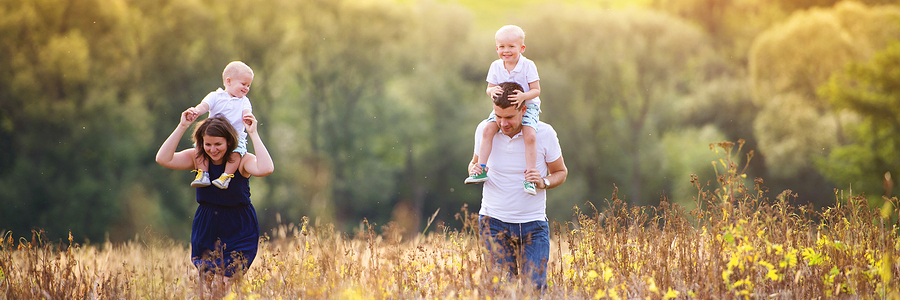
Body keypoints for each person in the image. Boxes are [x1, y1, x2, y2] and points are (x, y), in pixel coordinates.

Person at [155, 110, 274, 286]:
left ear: (229, 141)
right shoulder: (198, 158)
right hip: (207, 226)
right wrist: (183, 126)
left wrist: (253, 133)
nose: (213, 149)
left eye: (218, 144)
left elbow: (266, 168)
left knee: (222, 284)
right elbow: (163, 158)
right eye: (208, 144)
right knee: (207, 287)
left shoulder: (241, 160)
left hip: (238, 227)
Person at [467, 82, 567, 289]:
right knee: (502, 289)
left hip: (533, 225)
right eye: (498, 116)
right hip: (493, 224)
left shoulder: (544, 133)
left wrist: (544, 182)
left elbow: (561, 172)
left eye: (509, 117)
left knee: (534, 289)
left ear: (523, 110)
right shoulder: (484, 131)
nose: (503, 123)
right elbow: (474, 162)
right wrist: (473, 169)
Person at [465, 25, 543, 196]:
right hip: (504, 108)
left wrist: (523, 96)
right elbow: (489, 88)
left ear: (522, 48)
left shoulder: (528, 65)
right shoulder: (495, 66)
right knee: (487, 129)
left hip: (527, 105)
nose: (506, 50)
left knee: (530, 135)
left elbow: (536, 90)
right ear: (497, 48)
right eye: (501, 46)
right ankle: (481, 169)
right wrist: (491, 91)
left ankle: (530, 177)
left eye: (511, 46)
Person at [187, 61, 256, 189]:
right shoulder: (215, 96)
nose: (246, 88)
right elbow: (204, 106)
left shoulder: (244, 101)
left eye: (248, 85)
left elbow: (247, 112)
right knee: (199, 147)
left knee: (237, 152)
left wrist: (248, 117)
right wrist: (196, 111)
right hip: (213, 135)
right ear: (228, 81)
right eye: (243, 84)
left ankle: (226, 176)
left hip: (235, 136)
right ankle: (203, 174)